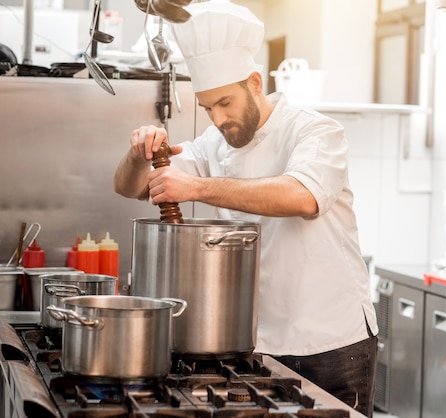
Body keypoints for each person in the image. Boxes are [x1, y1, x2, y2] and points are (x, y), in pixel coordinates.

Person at [114, 1, 378, 416]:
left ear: (255, 83)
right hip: (254, 341)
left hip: (329, 341)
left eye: (225, 103)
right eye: (207, 108)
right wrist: (137, 152)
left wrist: (197, 187)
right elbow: (131, 188)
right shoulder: (215, 143)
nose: (217, 119)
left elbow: (301, 196)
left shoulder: (315, 130)